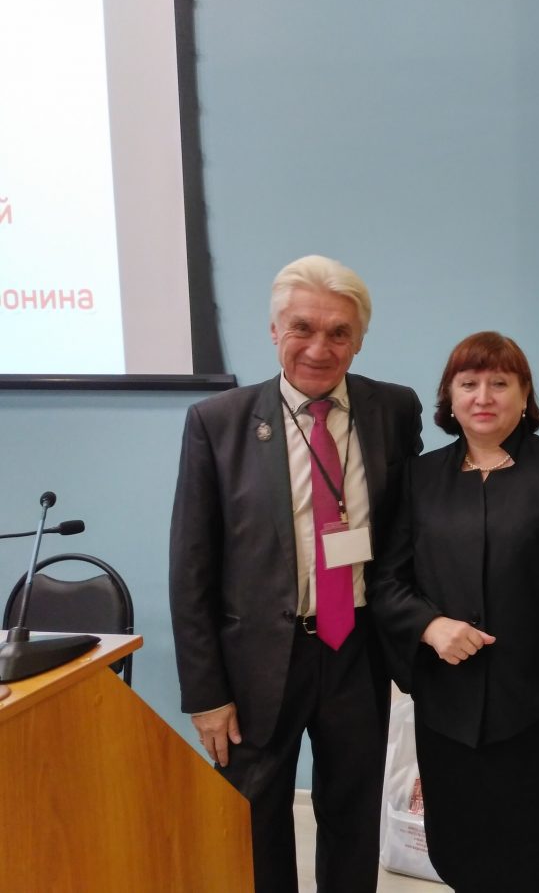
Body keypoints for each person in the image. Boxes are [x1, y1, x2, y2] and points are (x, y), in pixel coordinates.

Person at [169, 254, 423, 893]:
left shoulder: (394, 410)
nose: (319, 347)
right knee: (255, 822)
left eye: (339, 332)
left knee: (352, 816)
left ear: (359, 340)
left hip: (357, 650)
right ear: (273, 331)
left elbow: (410, 532)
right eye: (302, 328)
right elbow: (191, 568)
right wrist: (206, 694)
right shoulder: (218, 423)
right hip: (254, 663)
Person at [371, 331, 539, 893]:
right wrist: (430, 626)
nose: (483, 396)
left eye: (500, 383)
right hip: (451, 716)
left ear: (524, 394)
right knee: (467, 855)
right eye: (469, 383)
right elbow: (386, 581)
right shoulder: (419, 477)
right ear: (450, 396)